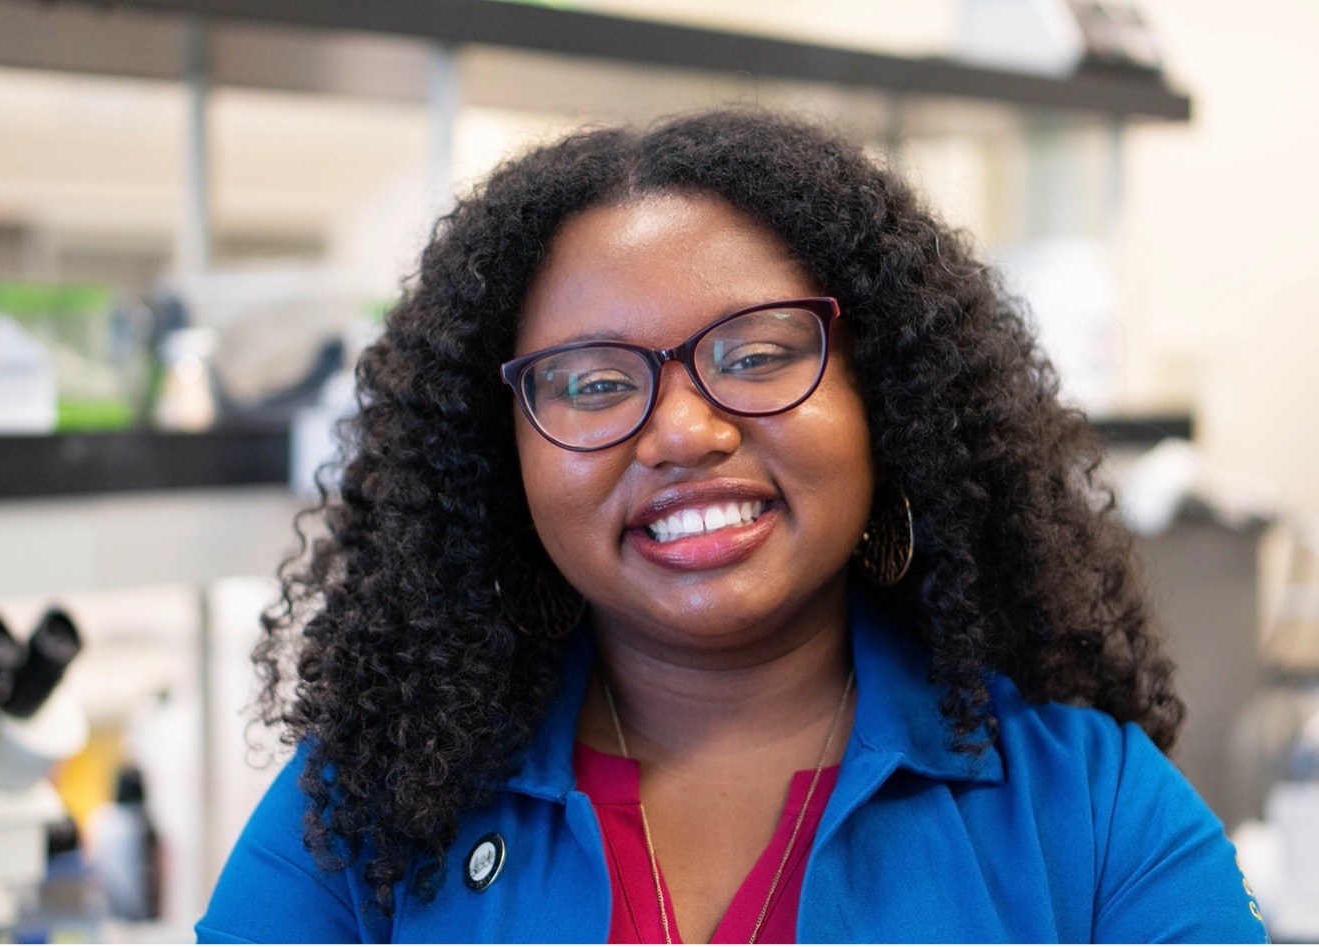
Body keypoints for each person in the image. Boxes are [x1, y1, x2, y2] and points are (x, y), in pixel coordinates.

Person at [196, 111, 1267, 943]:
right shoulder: (369, 805)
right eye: (591, 383)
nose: (681, 430)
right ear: (500, 455)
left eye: (756, 355)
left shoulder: (1084, 806)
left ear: (881, 400)